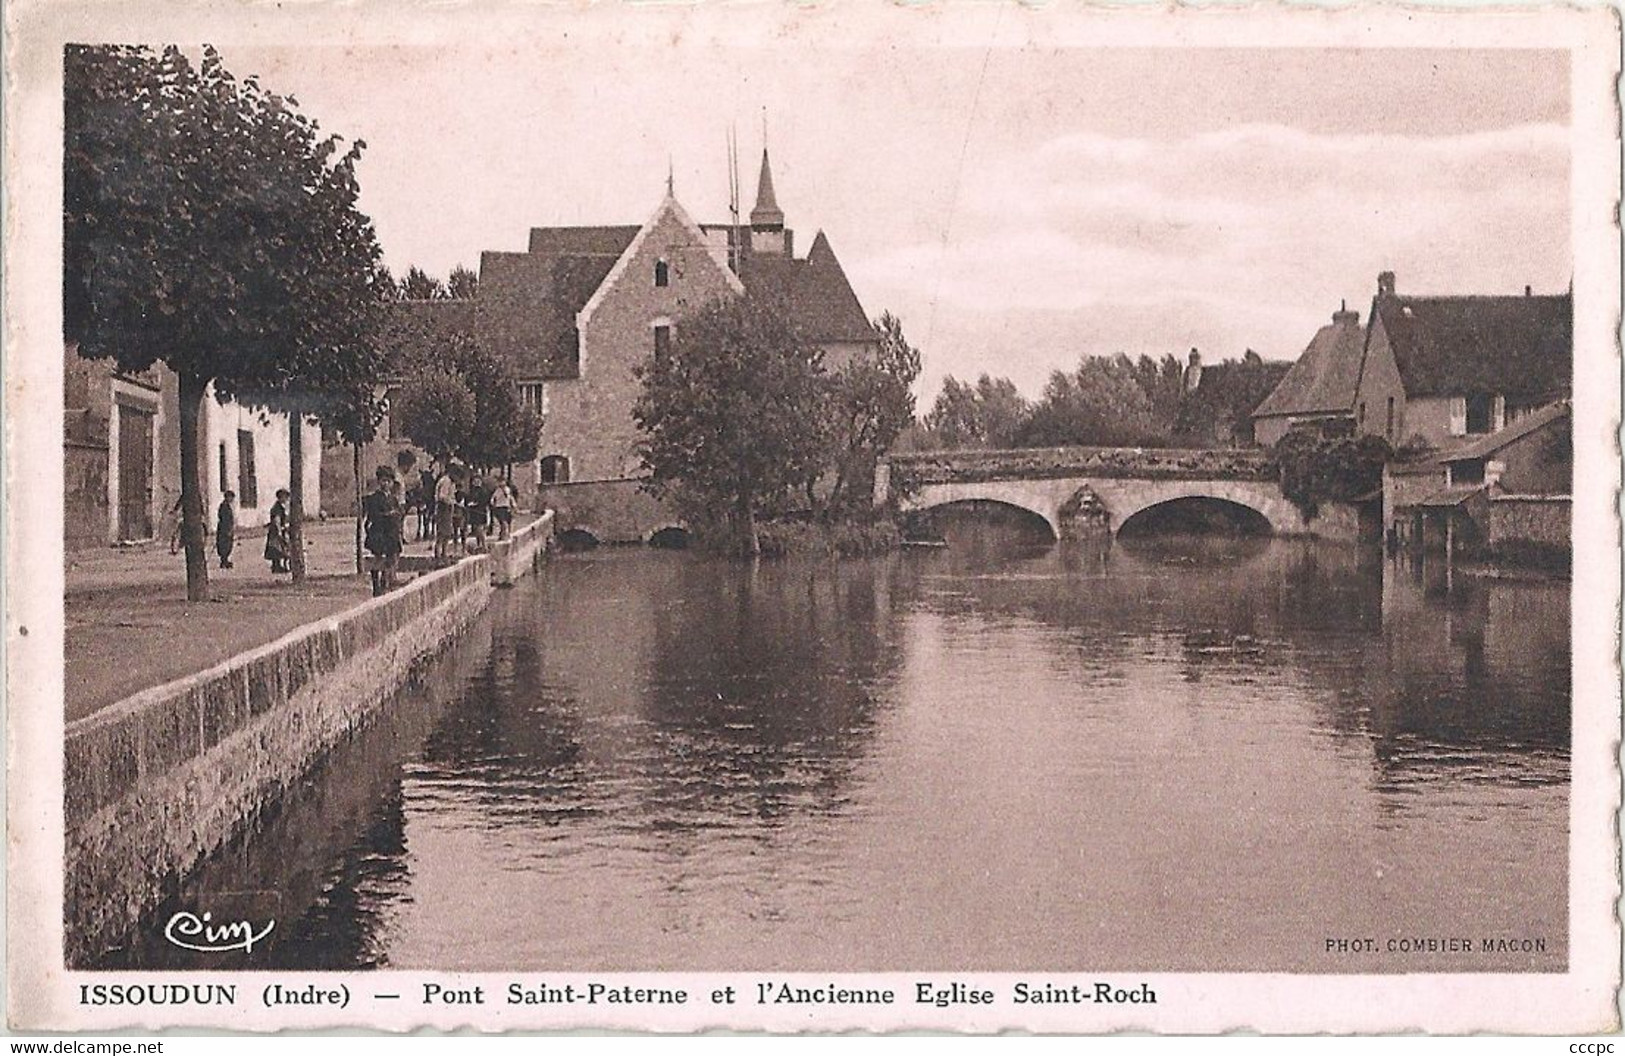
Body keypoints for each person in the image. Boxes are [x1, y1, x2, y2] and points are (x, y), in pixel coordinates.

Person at [362, 466, 403, 596]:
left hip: (391, 532)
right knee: (378, 558)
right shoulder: (375, 498)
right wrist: (388, 514)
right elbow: (374, 515)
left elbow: (399, 513)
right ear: (379, 482)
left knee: (391, 558)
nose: (385, 484)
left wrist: (396, 517)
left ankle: (385, 580)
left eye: (388, 481)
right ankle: (376, 585)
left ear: (392, 483)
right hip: (379, 531)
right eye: (383, 481)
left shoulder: (393, 499)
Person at [433, 465, 461, 560]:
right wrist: (452, 502)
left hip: (448, 508)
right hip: (443, 508)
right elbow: (442, 496)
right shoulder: (446, 481)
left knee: (448, 532)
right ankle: (438, 554)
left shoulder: (451, 482)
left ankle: (444, 553)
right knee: (442, 532)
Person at [265, 488, 291, 574]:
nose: (286, 499)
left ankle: (278, 565)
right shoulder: (277, 508)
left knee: (279, 548)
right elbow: (277, 520)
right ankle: (276, 566)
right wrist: (279, 530)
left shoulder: (280, 507)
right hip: (275, 531)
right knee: (276, 548)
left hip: (278, 529)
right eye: (285, 497)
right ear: (281, 497)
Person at [215, 491, 237, 569]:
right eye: (231, 497)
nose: (232, 499)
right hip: (224, 528)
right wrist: (228, 529)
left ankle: (225, 560)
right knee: (224, 545)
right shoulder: (224, 506)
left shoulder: (227, 506)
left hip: (226, 528)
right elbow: (224, 518)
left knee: (228, 545)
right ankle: (224, 561)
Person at [490, 477, 514, 541]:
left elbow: (508, 496)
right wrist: (493, 504)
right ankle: (502, 534)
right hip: (499, 507)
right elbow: (493, 498)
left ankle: (506, 534)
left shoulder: (507, 489)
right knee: (501, 522)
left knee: (505, 522)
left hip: (505, 506)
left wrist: (512, 505)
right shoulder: (497, 490)